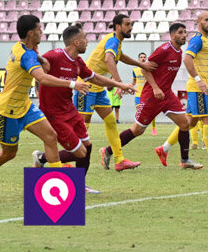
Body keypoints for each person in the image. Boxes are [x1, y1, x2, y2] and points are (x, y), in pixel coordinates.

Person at [0, 15, 91, 199]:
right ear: (31, 33)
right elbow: (41, 78)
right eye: (39, 29)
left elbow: (33, 57)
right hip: (7, 111)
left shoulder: (24, 47)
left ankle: (58, 183)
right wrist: (73, 84)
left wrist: (40, 58)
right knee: (9, 153)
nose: (42, 31)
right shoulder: (25, 55)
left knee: (51, 136)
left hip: (25, 107)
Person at [32, 23, 138, 191]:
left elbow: (94, 78)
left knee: (87, 146)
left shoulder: (77, 61)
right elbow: (38, 71)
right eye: (84, 38)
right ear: (76, 42)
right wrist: (39, 91)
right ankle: (46, 162)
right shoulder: (54, 56)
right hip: (54, 113)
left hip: (69, 110)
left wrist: (120, 84)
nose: (87, 41)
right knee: (80, 152)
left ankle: (78, 183)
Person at [102, 22, 203, 169]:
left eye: (185, 32)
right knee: (137, 130)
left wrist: (162, 89)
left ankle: (185, 160)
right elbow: (145, 69)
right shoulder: (163, 50)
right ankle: (108, 151)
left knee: (184, 123)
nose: (184, 35)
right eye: (180, 32)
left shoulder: (179, 52)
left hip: (166, 95)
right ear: (172, 35)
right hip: (152, 95)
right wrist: (155, 88)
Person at [77, 13, 156, 172]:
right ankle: (62, 159)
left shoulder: (115, 41)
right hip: (85, 86)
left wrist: (142, 65)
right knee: (82, 126)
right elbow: (108, 60)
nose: (131, 27)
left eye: (131, 24)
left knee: (111, 121)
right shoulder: (113, 40)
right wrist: (119, 82)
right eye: (127, 24)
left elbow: (121, 57)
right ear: (118, 26)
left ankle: (119, 159)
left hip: (97, 87)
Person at [173, 11, 208, 167]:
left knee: (189, 122)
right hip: (197, 88)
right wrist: (199, 80)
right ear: (198, 22)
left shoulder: (206, 42)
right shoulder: (198, 40)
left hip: (201, 88)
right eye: (206, 20)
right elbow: (186, 58)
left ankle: (164, 148)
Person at [133, 53, 156, 136]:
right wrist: (129, 87)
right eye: (141, 57)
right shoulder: (135, 70)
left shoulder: (149, 69)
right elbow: (134, 81)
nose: (143, 58)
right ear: (138, 59)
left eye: (144, 57)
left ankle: (153, 128)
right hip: (138, 95)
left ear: (146, 58)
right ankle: (139, 129)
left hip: (147, 94)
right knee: (139, 113)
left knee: (151, 112)